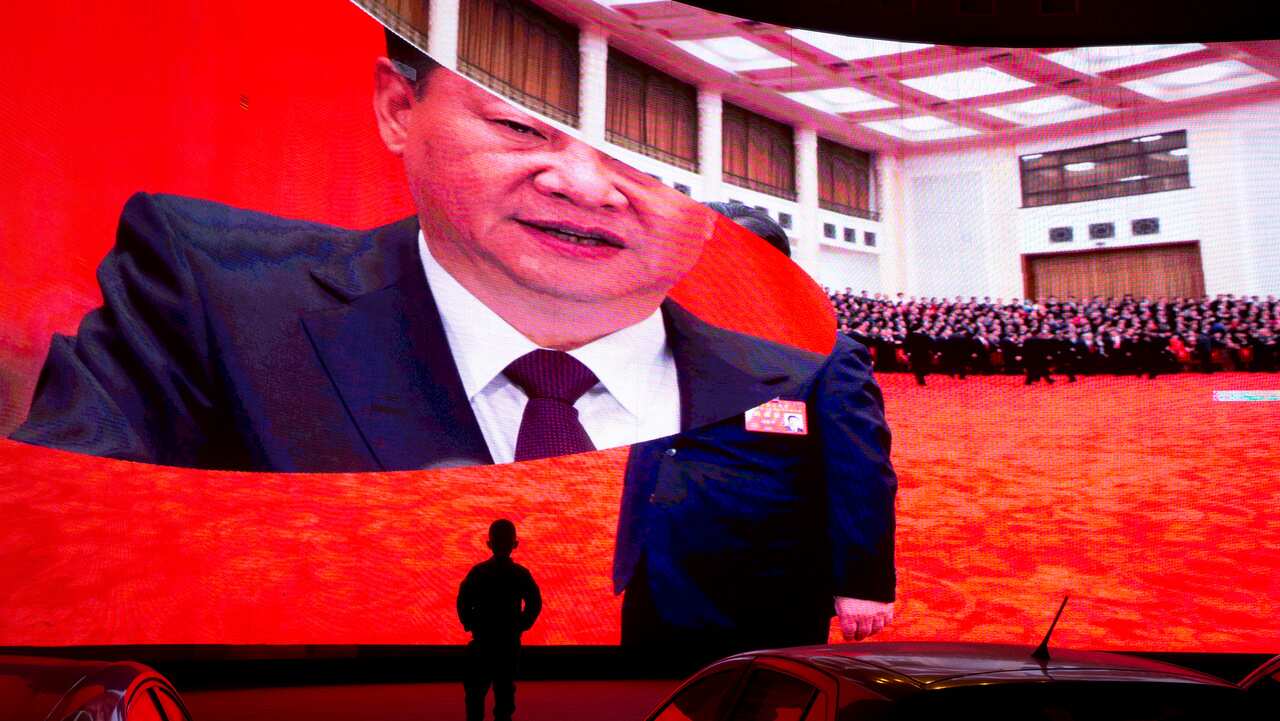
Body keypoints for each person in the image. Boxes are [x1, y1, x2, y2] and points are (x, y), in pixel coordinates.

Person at [11, 31, 897, 652]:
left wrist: (865, 581)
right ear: (398, 110)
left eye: (649, 163)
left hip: (764, 593)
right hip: (658, 585)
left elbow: (858, 470)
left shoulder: (792, 362)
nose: (585, 185)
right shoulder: (209, 295)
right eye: (516, 124)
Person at [457, 520, 541, 721]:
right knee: (504, 698)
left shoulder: (478, 572)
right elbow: (534, 603)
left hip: (482, 642)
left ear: (489, 544)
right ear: (515, 544)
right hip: (508, 643)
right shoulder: (520, 573)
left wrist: (470, 623)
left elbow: (463, 600)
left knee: (475, 695)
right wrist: (521, 625)